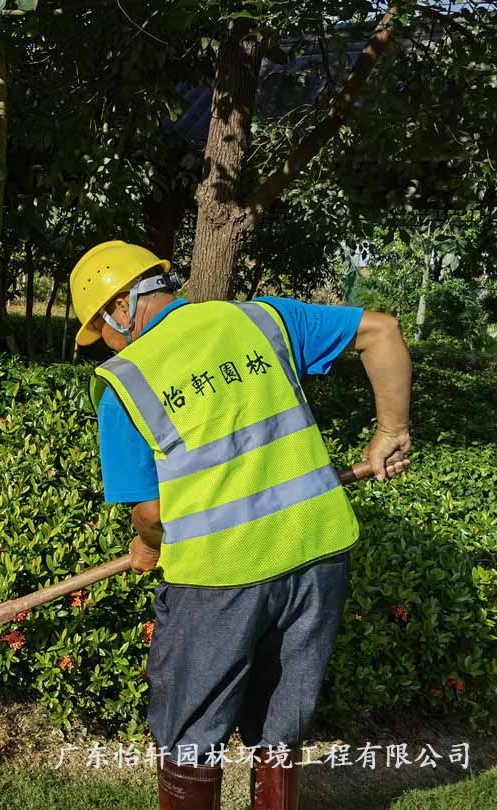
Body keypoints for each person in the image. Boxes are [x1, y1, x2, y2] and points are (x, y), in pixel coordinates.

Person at [69, 241, 412, 810]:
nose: (103, 345)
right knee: (280, 727)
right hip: (316, 554)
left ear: (121, 310)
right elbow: (382, 332)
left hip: (218, 578)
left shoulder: (125, 383)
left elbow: (152, 516)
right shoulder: (262, 320)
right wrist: (388, 432)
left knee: (188, 734)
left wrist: (147, 543)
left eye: (98, 330)